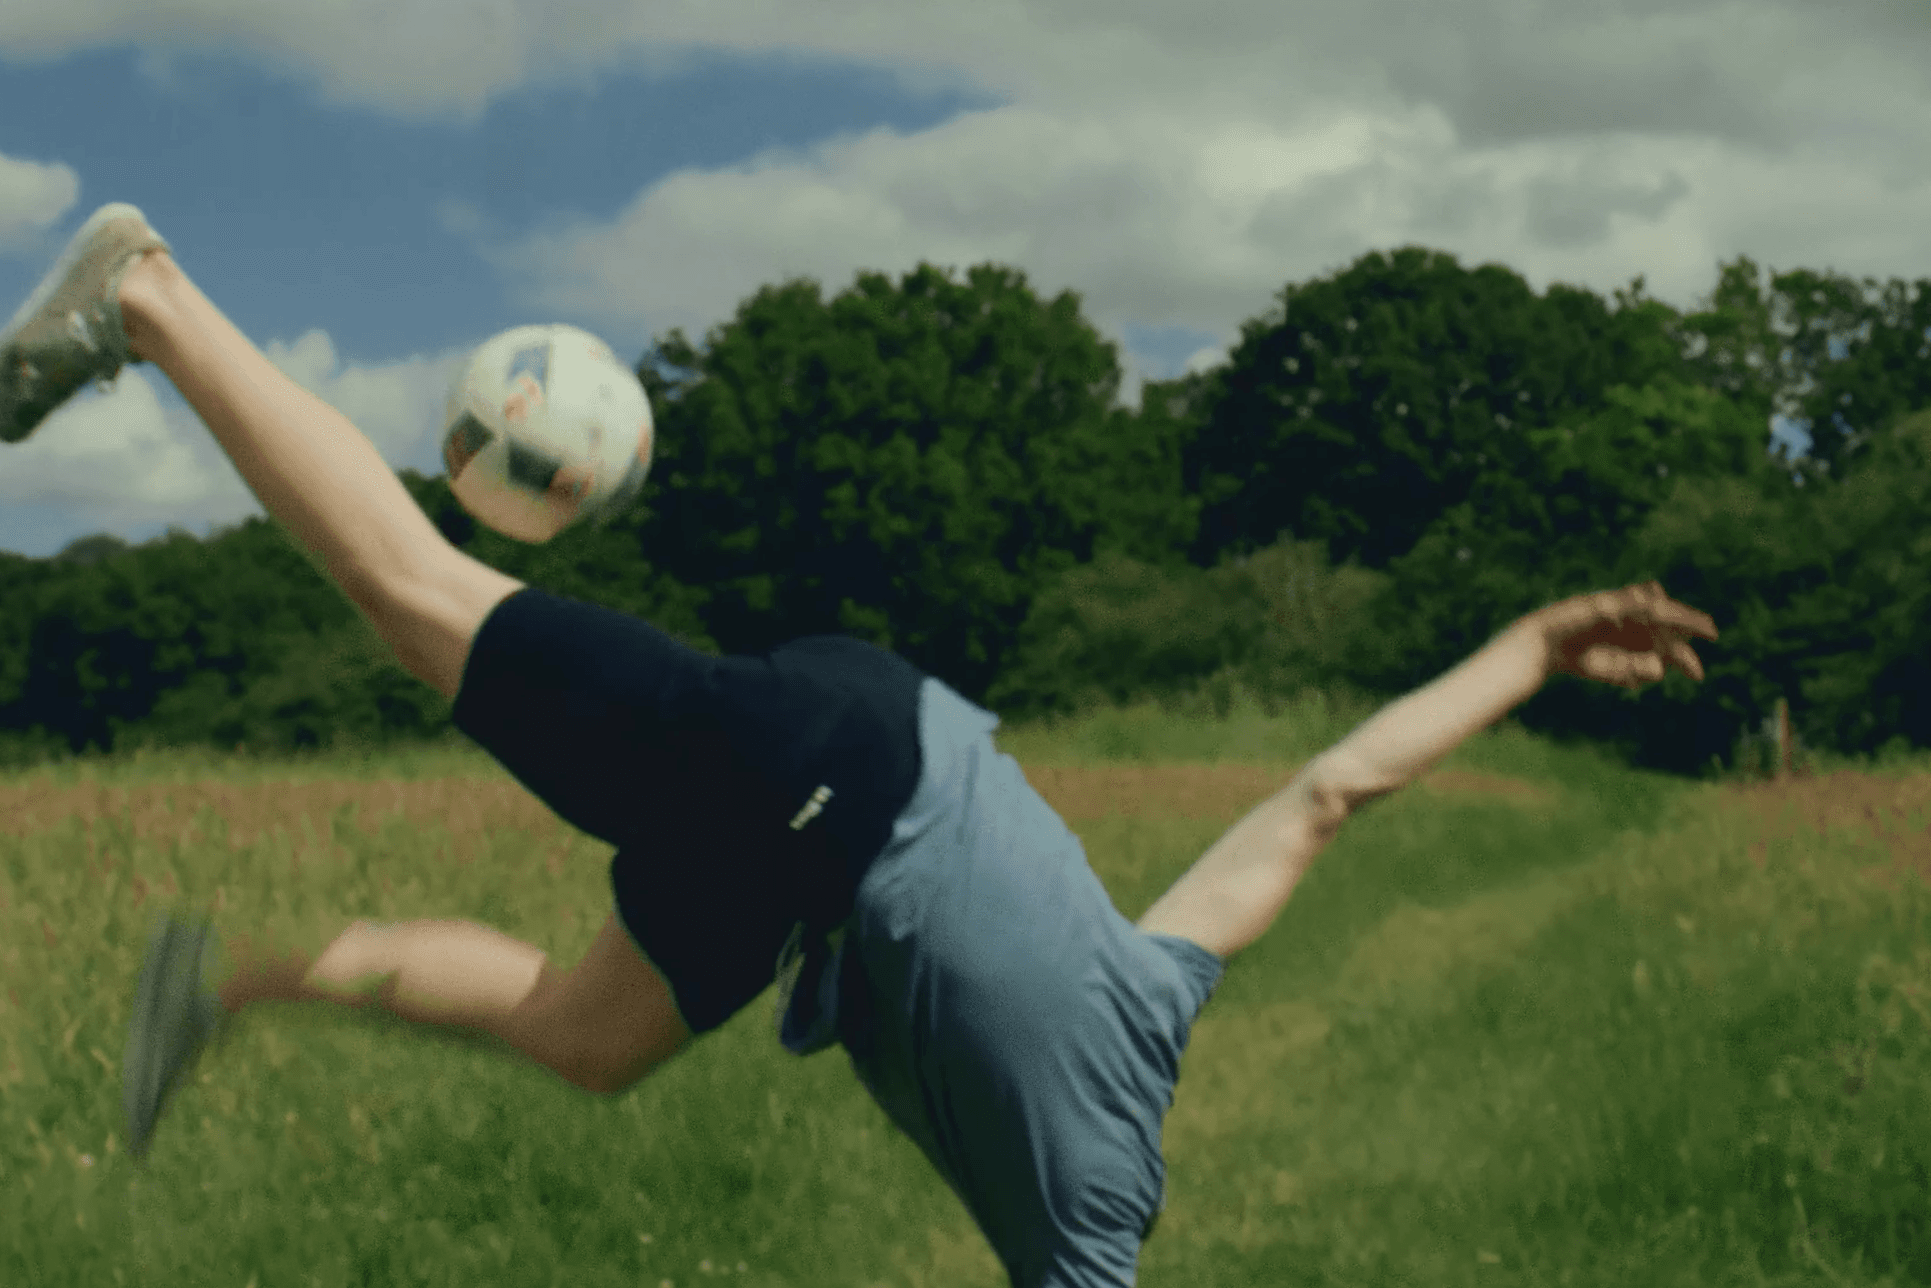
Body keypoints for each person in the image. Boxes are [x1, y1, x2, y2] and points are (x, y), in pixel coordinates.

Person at [0, 203, 1720, 1287]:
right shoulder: (1092, 1240)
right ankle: (149, 298)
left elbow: (1334, 789)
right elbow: (1332, 796)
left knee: (589, 1037)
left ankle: (222, 986)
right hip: (830, 788)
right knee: (413, 593)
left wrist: (1534, 644)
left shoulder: (1158, 989)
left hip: (844, 774)